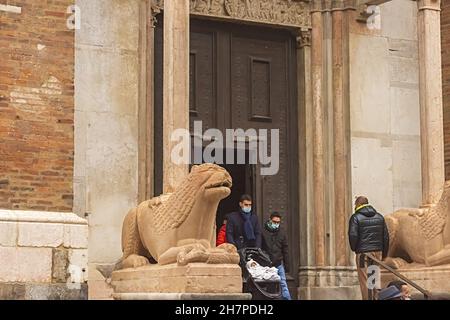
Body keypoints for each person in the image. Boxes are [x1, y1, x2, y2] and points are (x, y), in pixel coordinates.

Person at [348, 196, 390, 300]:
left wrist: (355, 249)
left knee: (365, 280)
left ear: (357, 205)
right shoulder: (379, 217)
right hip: (377, 252)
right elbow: (386, 237)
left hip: (363, 254)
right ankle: (376, 298)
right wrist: (384, 254)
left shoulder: (355, 217)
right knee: (374, 279)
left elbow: (353, 235)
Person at [261, 212, 291, 300]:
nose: (276, 224)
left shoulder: (282, 233)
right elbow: (260, 247)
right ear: (270, 220)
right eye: (274, 222)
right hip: (266, 263)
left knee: (283, 283)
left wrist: (287, 265)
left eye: (278, 222)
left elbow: (285, 249)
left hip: (278, 262)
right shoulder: (263, 232)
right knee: (265, 284)